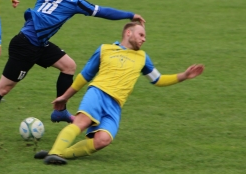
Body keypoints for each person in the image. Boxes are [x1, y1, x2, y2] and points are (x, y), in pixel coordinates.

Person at [0, 0, 145, 143]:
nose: (82, 0)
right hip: (26, 46)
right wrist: (130, 15)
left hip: (38, 43)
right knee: (3, 88)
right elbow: (103, 11)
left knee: (68, 66)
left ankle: (60, 111)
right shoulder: (76, 1)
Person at [33, 22, 204, 165]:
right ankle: (54, 153)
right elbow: (85, 76)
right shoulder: (105, 49)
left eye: (144, 37)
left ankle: (58, 154)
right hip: (98, 93)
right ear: (128, 33)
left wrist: (184, 76)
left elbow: (157, 80)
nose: (144, 39)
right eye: (141, 35)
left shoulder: (143, 58)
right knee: (82, 122)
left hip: (115, 105)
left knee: (103, 140)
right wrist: (65, 96)